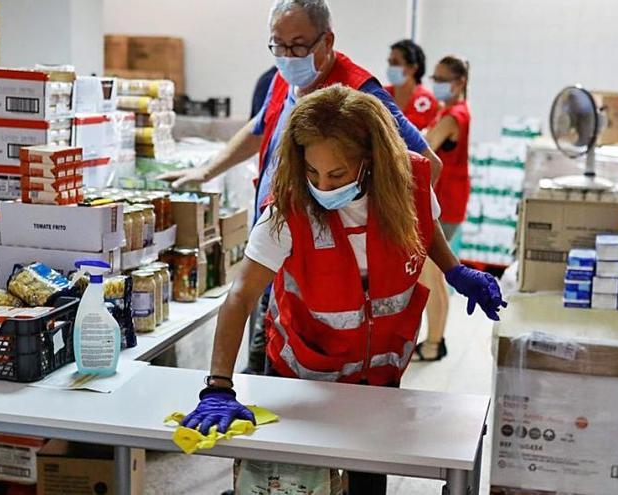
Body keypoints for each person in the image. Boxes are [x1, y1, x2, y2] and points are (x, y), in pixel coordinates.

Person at [179, 85, 504, 495]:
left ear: (370, 160)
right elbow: (241, 294)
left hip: (379, 379)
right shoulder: (288, 208)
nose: (324, 186)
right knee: (296, 484)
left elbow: (428, 221)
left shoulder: (409, 183)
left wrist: (454, 270)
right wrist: (218, 387)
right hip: (302, 379)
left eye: (337, 174)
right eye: (313, 172)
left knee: (368, 479)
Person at [158, 0, 444, 376]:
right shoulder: (285, 79)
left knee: (302, 351)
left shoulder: (359, 96)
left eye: (298, 45)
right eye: (278, 45)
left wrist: (360, 225)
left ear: (327, 41)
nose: (287, 56)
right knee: (269, 350)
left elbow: (425, 168)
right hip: (280, 243)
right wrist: (206, 171)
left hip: (324, 264)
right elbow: (258, 129)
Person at [414, 55, 473, 362]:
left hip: (446, 203)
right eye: (433, 79)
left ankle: (435, 343)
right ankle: (435, 340)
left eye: (441, 79)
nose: (435, 85)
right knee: (431, 275)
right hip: (445, 200)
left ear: (459, 82)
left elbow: (424, 148)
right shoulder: (447, 111)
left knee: (432, 276)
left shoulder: (455, 116)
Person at [384, 39, 438, 130]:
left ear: (413, 68)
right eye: (390, 62)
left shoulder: (430, 102)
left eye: (396, 63)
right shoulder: (381, 94)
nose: (391, 67)